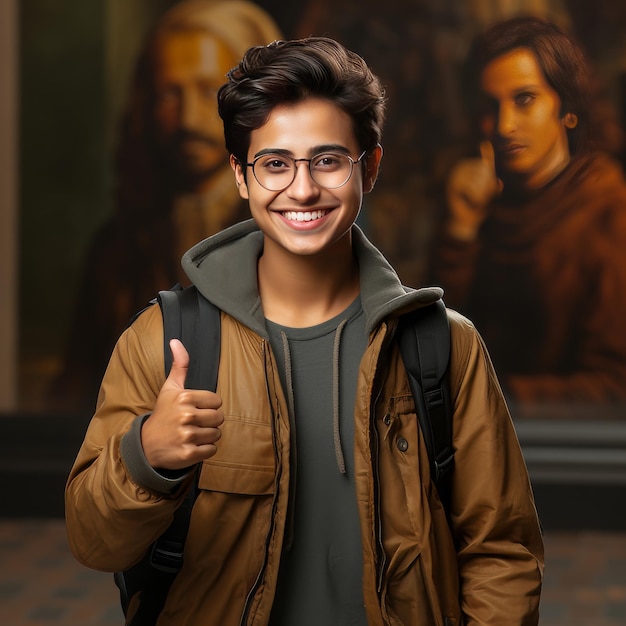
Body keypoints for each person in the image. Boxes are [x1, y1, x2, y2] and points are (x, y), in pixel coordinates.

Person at [65, 36, 543, 625]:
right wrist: (147, 456)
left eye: (327, 160)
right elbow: (94, 542)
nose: (302, 189)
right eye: (274, 164)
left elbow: (502, 550)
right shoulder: (166, 339)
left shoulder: (443, 345)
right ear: (241, 176)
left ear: (369, 166)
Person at [51, 0, 282, 412]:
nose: (190, 120)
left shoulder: (295, 231)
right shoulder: (115, 250)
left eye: (208, 92)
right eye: (167, 95)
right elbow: (77, 394)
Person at [430, 16, 626, 416]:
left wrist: (481, 397)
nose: (503, 126)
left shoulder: (608, 210)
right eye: (490, 106)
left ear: (567, 109)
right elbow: (436, 348)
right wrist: (461, 231)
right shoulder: (486, 199)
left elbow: (614, 388)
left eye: (524, 99)